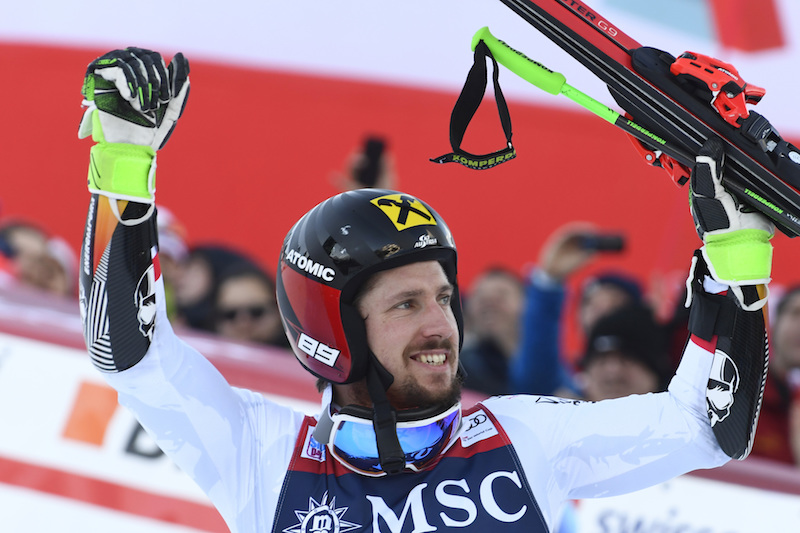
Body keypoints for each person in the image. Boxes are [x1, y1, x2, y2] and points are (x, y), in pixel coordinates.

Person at [77, 48, 775, 532]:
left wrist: (733, 256)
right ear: (335, 329)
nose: (440, 323)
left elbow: (707, 425)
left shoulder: (524, 439)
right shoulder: (261, 457)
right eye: (406, 304)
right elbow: (129, 354)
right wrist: (122, 163)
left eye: (443, 297)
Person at [459, 266, 525, 395]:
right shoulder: (457, 371)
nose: (489, 302)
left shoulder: (549, 370)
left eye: (501, 295)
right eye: (480, 296)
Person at [212, 263, 288, 348]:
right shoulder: (199, 357)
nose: (243, 324)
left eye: (256, 312)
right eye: (230, 315)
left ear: (279, 312)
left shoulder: (302, 358)